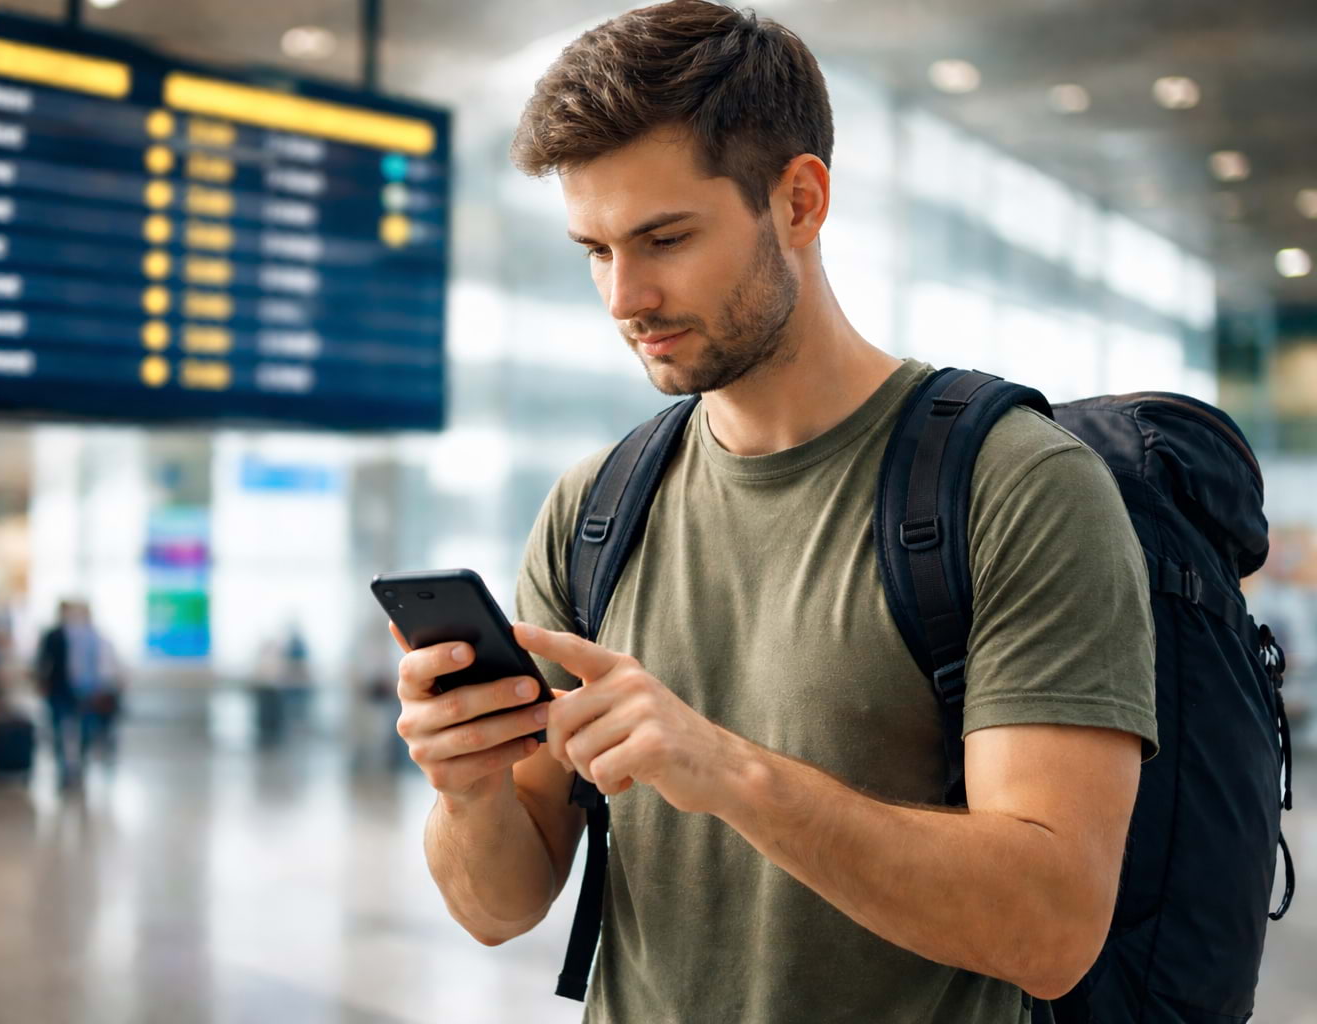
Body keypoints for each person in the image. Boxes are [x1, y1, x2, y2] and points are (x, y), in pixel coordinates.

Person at [393, 4, 1157, 1022]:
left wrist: (728, 771)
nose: (625, 296)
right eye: (595, 249)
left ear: (800, 201)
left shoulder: (1014, 486)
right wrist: (469, 785)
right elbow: (500, 905)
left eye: (665, 237)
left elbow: (1053, 929)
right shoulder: (595, 508)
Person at [35, 601, 113, 787]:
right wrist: (42, 683)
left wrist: (101, 687)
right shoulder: (53, 635)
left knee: (86, 729)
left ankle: (81, 766)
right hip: (60, 688)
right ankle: (64, 770)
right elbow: (43, 661)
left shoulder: (94, 637)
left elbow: (101, 664)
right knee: (59, 730)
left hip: (87, 690)